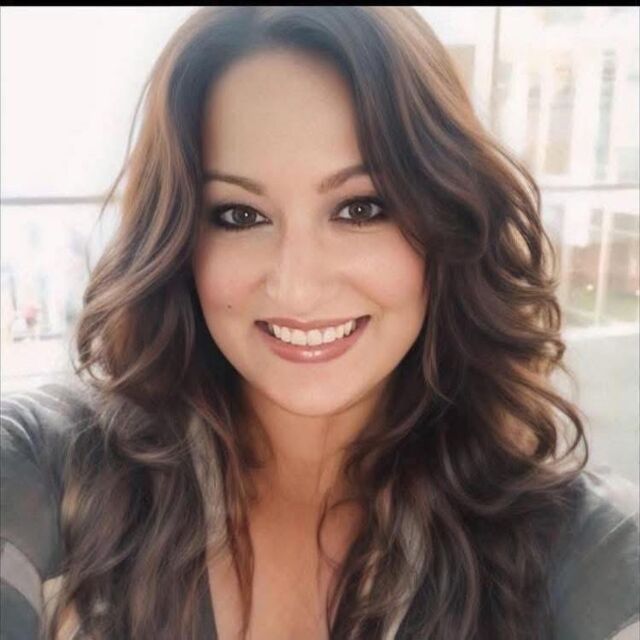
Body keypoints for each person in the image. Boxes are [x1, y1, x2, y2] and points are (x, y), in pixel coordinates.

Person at [1, 6, 638, 640]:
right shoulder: (50, 474)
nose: (297, 287)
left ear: (448, 217)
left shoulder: (579, 552)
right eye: (240, 215)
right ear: (178, 240)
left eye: (361, 208)